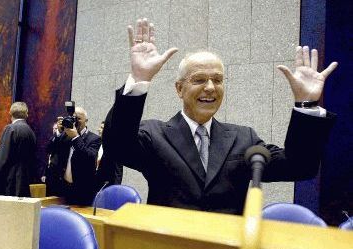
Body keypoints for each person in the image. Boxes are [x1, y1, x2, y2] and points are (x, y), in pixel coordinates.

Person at [103, 18, 338, 215]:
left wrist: (306, 105)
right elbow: (117, 147)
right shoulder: (155, 135)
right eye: (199, 80)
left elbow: (299, 167)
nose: (210, 88)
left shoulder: (243, 138)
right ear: (179, 89)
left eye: (217, 80)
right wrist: (139, 80)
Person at [46, 107, 101, 205]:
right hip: (63, 188)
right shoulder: (64, 135)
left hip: (82, 190)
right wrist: (58, 133)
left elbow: (89, 158)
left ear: (86, 121)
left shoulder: (94, 139)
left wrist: (76, 137)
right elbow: (49, 150)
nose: (75, 121)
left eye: (78, 119)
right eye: (73, 118)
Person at [0, 102, 37, 197]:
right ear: (26, 114)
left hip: (9, 184)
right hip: (24, 182)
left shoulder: (10, 129)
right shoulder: (30, 131)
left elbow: (1, 159)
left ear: (10, 113)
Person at [95, 121, 123, 190]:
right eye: (100, 127)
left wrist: (115, 190)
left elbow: (118, 172)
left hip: (107, 186)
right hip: (95, 184)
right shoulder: (97, 143)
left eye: (102, 128)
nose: (99, 130)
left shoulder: (114, 148)